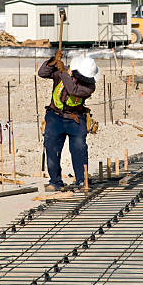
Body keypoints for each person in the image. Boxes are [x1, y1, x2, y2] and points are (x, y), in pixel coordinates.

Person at [38, 50, 99, 191]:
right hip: (55, 116)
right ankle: (55, 182)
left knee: (79, 148)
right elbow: (42, 73)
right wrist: (53, 61)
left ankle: (81, 181)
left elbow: (73, 90)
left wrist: (62, 72)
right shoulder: (64, 70)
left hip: (76, 119)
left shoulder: (90, 86)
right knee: (51, 147)